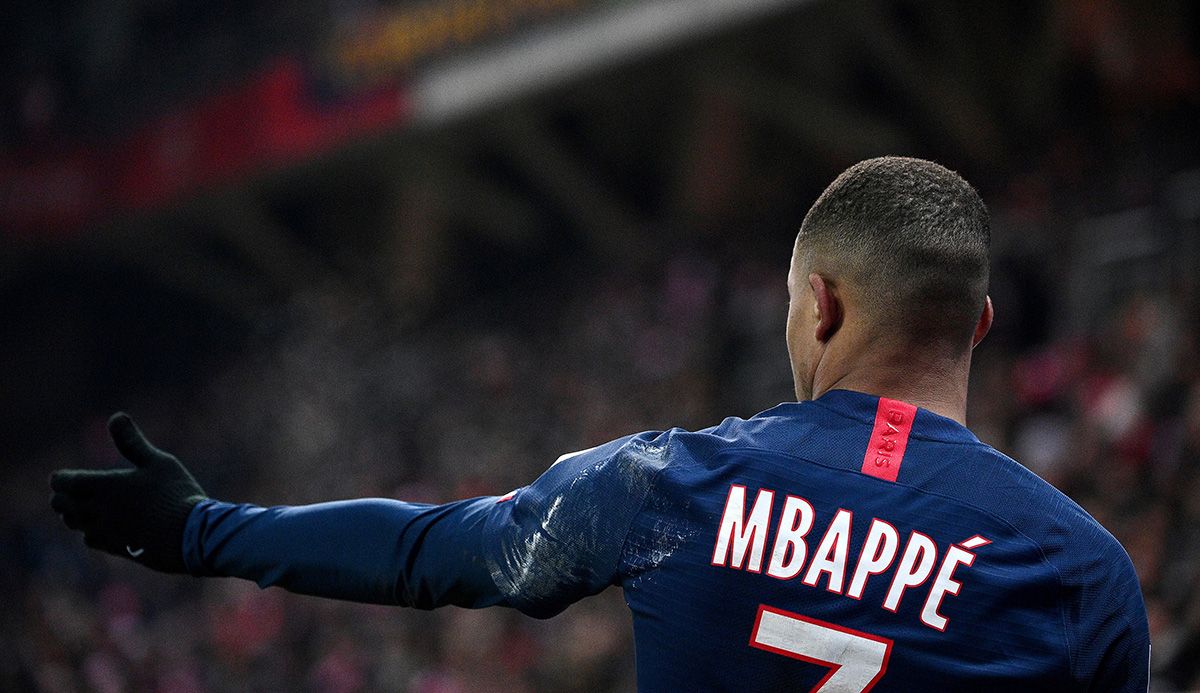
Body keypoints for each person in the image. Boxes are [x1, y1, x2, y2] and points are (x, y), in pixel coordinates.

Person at [50, 156, 1149, 691]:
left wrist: (201, 530)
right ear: (983, 324)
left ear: (821, 302)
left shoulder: (666, 488)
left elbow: (434, 555)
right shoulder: (1084, 574)